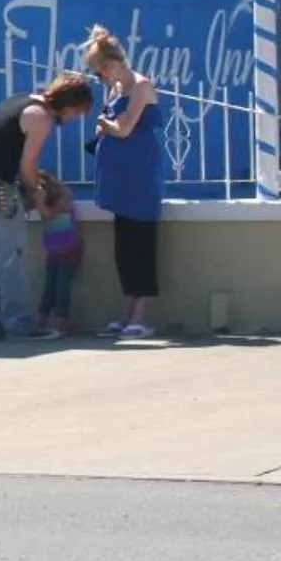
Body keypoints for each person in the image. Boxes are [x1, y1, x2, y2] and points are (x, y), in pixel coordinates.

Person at [0, 74, 95, 342]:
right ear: (69, 104)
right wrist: (42, 205)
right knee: (13, 257)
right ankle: (20, 326)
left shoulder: (19, 102)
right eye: (78, 113)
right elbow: (27, 168)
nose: (74, 119)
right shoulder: (40, 118)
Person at [84, 26, 163, 339]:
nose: (100, 78)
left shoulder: (140, 86)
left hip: (141, 176)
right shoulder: (114, 88)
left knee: (141, 245)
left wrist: (108, 126)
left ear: (112, 64)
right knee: (124, 248)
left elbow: (126, 128)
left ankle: (140, 316)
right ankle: (127, 313)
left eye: (100, 71)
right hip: (120, 179)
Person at [36, 172, 83, 336]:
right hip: (54, 249)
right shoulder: (44, 201)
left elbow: (51, 214)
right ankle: (42, 319)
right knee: (50, 285)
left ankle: (61, 320)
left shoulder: (64, 196)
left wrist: (40, 203)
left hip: (69, 248)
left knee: (62, 285)